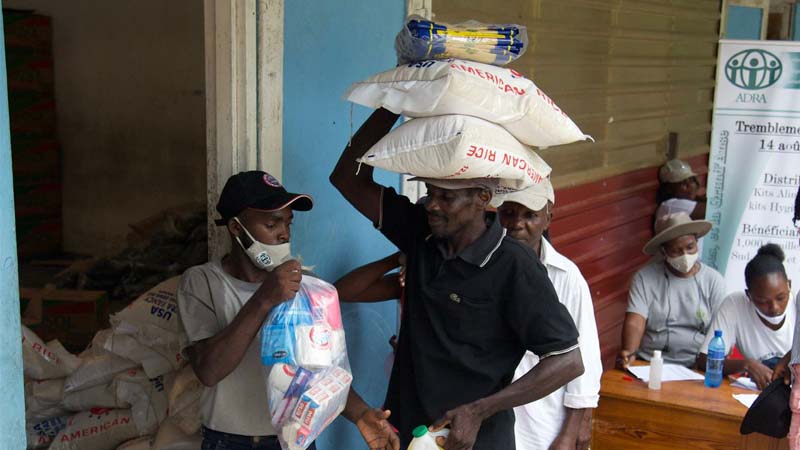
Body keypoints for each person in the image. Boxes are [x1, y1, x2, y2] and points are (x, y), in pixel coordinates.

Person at [330, 108, 584, 450]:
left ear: (482, 199)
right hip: (405, 436)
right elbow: (347, 178)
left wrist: (480, 410)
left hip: (475, 441)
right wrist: (395, 102)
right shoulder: (422, 234)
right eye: (431, 193)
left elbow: (567, 360)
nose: (433, 205)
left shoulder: (514, 265)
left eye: (447, 197)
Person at [177, 171, 399, 450]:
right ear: (236, 228)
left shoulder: (306, 287)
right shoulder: (202, 282)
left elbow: (321, 372)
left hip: (296, 441)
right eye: (272, 223)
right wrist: (264, 299)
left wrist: (362, 414)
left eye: (288, 222)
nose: (284, 233)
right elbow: (208, 371)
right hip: (230, 442)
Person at [493, 179, 602, 450]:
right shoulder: (482, 269)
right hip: (492, 421)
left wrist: (570, 432)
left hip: (544, 425)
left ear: (548, 218)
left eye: (530, 215)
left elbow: (584, 360)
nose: (517, 224)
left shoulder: (566, 276)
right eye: (508, 213)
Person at [617, 212, 726, 368]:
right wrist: (629, 352)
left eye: (690, 247)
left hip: (696, 365)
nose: (685, 255)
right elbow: (635, 321)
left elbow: (720, 329)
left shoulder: (713, 280)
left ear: (697, 242)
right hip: (650, 362)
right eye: (676, 250)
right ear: (663, 251)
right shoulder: (645, 278)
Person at [696, 244, 795, 390]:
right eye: (763, 301)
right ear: (749, 296)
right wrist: (747, 364)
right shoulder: (735, 304)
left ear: (789, 286)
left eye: (781, 298)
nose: (774, 307)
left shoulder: (797, 303)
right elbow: (705, 361)